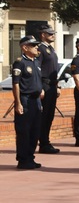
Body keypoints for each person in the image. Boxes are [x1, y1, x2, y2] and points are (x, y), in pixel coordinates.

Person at [12, 35, 44, 169]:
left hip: (35, 101)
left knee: (35, 130)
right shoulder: (20, 62)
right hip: (25, 100)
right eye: (33, 45)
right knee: (24, 131)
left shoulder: (35, 62)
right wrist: (18, 103)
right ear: (25, 47)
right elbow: (16, 84)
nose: (37, 47)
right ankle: (23, 159)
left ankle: (30, 157)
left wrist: (40, 90)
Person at [36, 24, 60, 154]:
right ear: (43, 35)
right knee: (44, 116)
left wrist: (56, 86)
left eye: (53, 33)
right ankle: (43, 142)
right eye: (50, 34)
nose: (53, 35)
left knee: (49, 115)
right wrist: (40, 87)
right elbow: (38, 69)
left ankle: (45, 141)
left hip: (52, 84)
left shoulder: (50, 49)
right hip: (44, 84)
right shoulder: (40, 49)